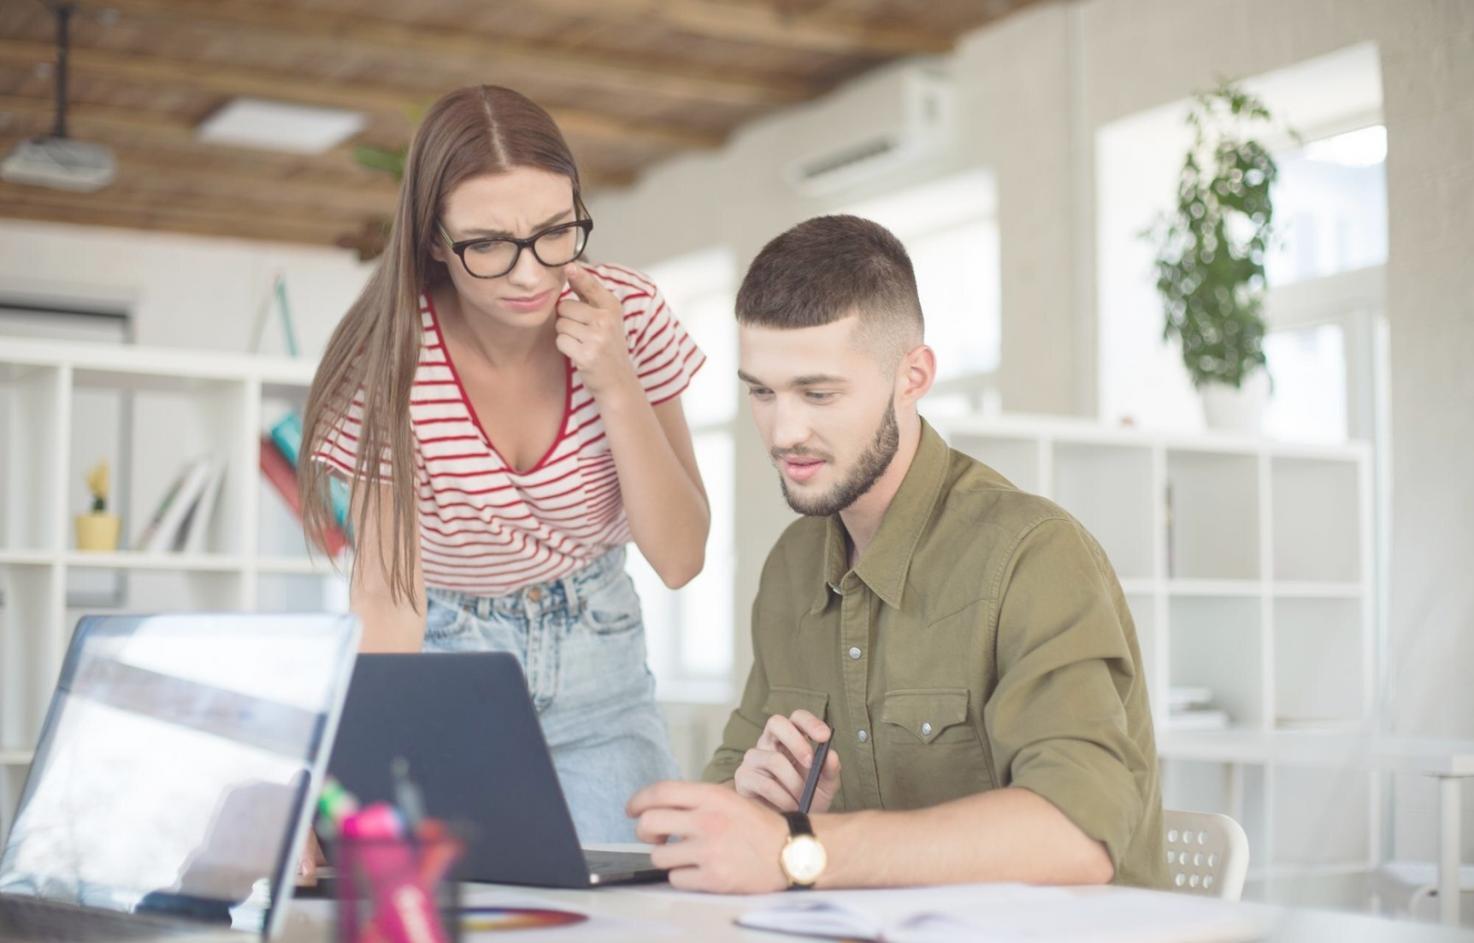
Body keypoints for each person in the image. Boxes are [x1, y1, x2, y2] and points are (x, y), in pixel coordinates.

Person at [627, 214, 1166, 892]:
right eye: (762, 392)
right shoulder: (793, 566)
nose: (784, 431)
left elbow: (1078, 838)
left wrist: (800, 848)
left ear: (912, 376)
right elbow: (721, 815)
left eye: (818, 393)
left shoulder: (1035, 555)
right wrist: (752, 801)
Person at [300, 85, 710, 844]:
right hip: (446, 661)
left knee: (640, 892)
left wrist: (616, 380)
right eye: (487, 244)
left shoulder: (630, 313)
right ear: (433, 239)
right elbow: (386, 599)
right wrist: (339, 791)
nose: (529, 275)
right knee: (444, 891)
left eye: (555, 232)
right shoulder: (388, 358)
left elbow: (681, 556)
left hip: (600, 660)